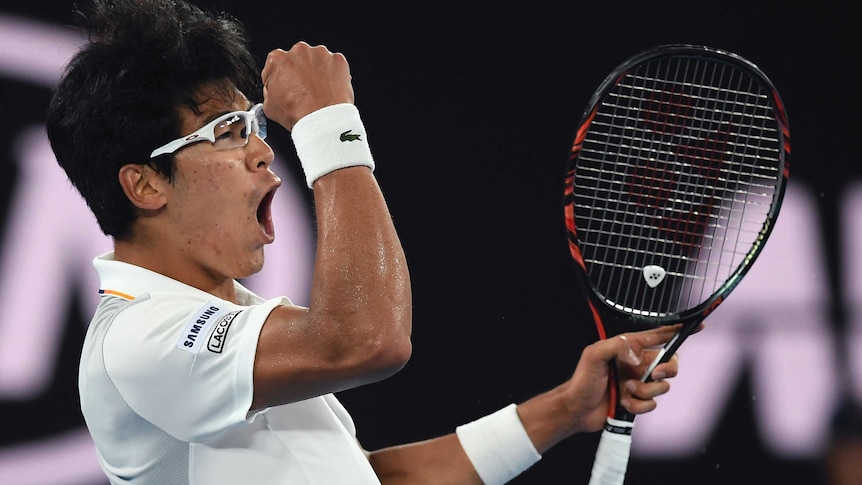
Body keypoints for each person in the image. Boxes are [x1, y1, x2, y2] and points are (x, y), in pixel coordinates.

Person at [46, 0, 691, 483]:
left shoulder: (235, 328)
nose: (264, 150)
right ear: (144, 185)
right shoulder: (137, 343)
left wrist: (563, 411)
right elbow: (366, 337)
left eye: (252, 124)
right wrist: (329, 127)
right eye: (227, 132)